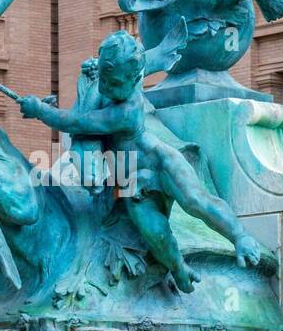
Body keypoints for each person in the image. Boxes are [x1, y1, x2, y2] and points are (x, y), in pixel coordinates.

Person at [19, 30, 263, 293]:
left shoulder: (126, 111)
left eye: (115, 84)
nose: (107, 88)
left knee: (196, 200)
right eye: (105, 79)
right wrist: (89, 78)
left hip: (159, 160)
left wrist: (41, 111)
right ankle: (179, 268)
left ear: (135, 78)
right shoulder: (124, 72)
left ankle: (240, 237)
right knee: (154, 231)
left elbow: (78, 122)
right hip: (131, 180)